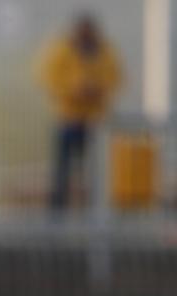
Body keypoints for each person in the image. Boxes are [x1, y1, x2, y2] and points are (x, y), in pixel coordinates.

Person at [38, 13, 122, 213]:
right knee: (62, 171)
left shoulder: (105, 52)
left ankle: (94, 212)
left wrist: (97, 89)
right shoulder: (62, 50)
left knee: (96, 172)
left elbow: (115, 77)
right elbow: (48, 77)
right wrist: (74, 88)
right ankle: (57, 215)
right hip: (69, 119)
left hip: (95, 122)